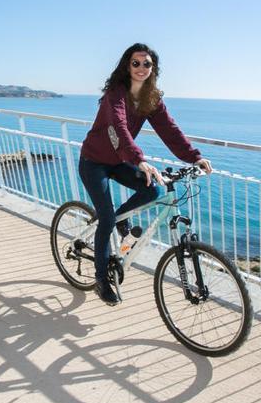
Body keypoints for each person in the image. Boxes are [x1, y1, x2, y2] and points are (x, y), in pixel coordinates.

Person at [79, 43, 213, 306]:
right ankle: (101, 280)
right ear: (127, 66)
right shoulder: (115, 94)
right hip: (93, 162)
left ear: (154, 68)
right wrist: (139, 160)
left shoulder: (151, 99)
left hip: (118, 161)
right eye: (136, 63)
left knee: (154, 189)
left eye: (147, 64)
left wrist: (194, 156)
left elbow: (170, 131)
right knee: (105, 218)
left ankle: (118, 220)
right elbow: (119, 127)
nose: (142, 68)